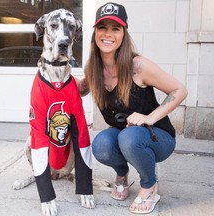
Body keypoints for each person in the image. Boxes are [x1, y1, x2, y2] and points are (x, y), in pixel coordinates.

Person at [78, 2, 188, 214]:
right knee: (100, 145)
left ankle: (149, 185)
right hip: (124, 135)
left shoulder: (138, 66)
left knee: (128, 138)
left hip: (157, 138)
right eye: (102, 27)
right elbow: (81, 89)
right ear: (95, 33)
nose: (108, 34)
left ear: (123, 33)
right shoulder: (93, 69)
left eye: (115, 28)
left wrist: (150, 118)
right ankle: (122, 174)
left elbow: (179, 90)